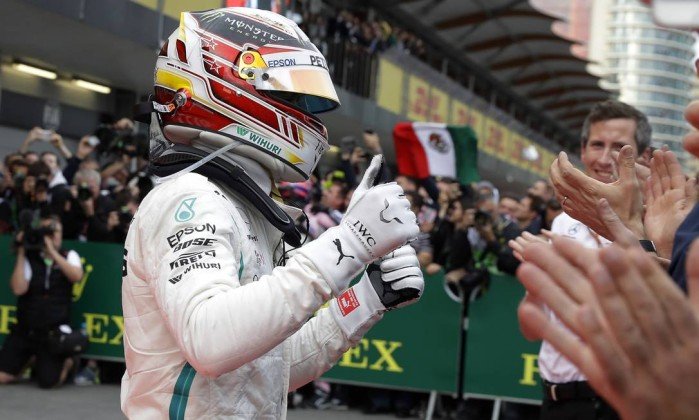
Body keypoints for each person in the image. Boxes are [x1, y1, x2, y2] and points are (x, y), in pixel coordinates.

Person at [120, 8, 422, 419]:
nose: (306, 112)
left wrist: (368, 299)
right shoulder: (190, 197)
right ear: (229, 81)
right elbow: (211, 341)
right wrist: (349, 243)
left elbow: (269, 367)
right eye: (291, 95)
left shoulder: (239, 205)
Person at [517, 100, 651, 420]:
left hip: (621, 403)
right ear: (582, 149)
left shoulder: (655, 227)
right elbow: (532, 330)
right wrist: (536, 283)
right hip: (558, 401)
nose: (604, 159)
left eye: (619, 147)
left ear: (643, 156)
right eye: (597, 145)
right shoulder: (563, 223)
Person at [0, 215, 83, 388]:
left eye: (55, 232)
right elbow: (18, 289)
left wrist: (52, 253)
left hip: (52, 333)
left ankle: (68, 361)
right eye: (46, 232)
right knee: (2, 377)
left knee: (49, 382)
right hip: (26, 329)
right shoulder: (30, 258)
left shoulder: (69, 255)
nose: (51, 236)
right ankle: (28, 360)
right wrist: (21, 252)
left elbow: (76, 276)